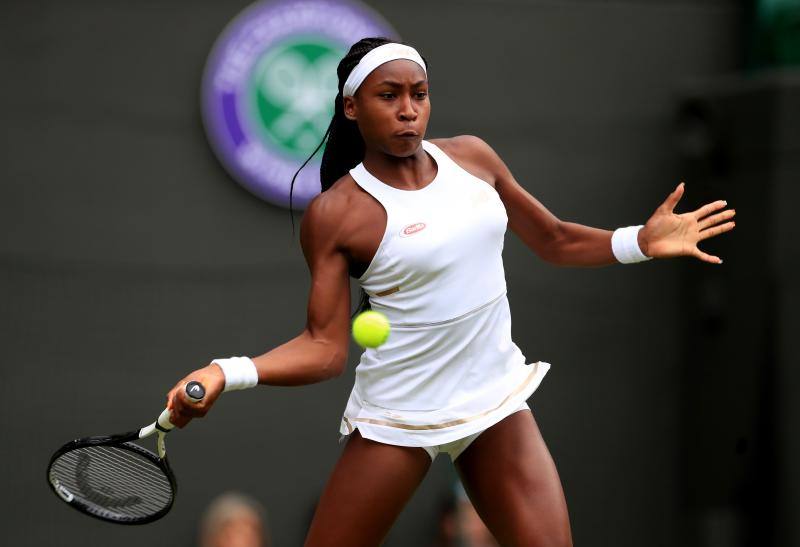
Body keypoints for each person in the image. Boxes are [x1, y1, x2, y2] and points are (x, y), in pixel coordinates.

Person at [166, 38, 736, 546]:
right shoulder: (336, 214)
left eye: (419, 93)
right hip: (399, 417)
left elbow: (555, 240)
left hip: (493, 402)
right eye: (389, 95)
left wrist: (640, 240)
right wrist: (226, 371)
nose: (408, 109)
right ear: (351, 107)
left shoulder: (473, 158)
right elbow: (324, 350)